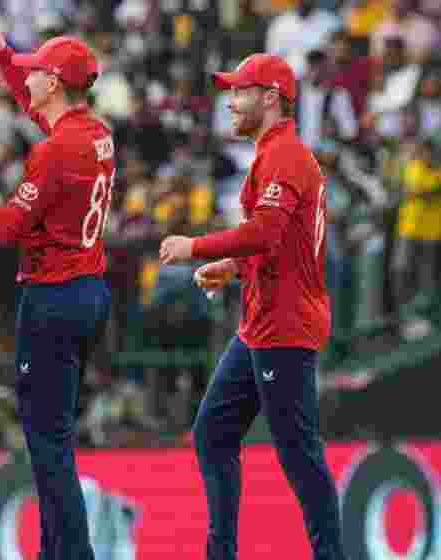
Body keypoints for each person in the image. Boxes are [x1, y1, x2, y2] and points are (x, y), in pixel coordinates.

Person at [159, 53, 345, 560]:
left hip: (284, 325)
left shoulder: (285, 156)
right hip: (262, 323)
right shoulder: (273, 154)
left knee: (299, 454)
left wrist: (197, 247)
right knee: (213, 432)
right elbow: (277, 244)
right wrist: (233, 268)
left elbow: (266, 232)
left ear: (269, 98)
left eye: (239, 91)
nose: (230, 102)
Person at [0, 1, 115, 558]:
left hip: (52, 297)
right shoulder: (95, 134)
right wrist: (1, 49)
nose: (28, 77)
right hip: (88, 291)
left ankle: (73, 553)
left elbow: (4, 230)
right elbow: (37, 110)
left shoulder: (53, 152)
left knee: (47, 445)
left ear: (55, 81)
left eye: (36, 70)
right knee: (58, 437)